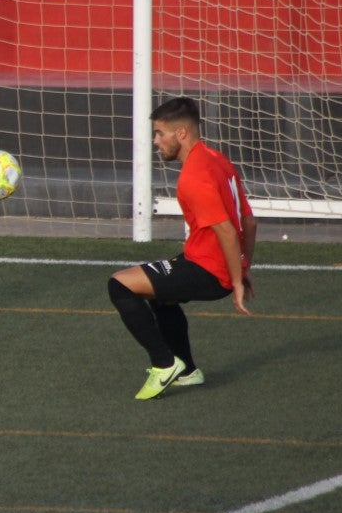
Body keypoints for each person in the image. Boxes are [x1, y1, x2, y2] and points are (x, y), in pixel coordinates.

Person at [108, 97, 258, 400]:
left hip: (209, 270)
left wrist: (237, 281)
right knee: (160, 295)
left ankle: (164, 364)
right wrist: (243, 266)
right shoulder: (217, 159)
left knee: (120, 286)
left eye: (160, 133)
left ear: (181, 133)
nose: (155, 141)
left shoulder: (193, 177)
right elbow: (249, 221)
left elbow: (227, 231)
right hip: (212, 262)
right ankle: (188, 371)